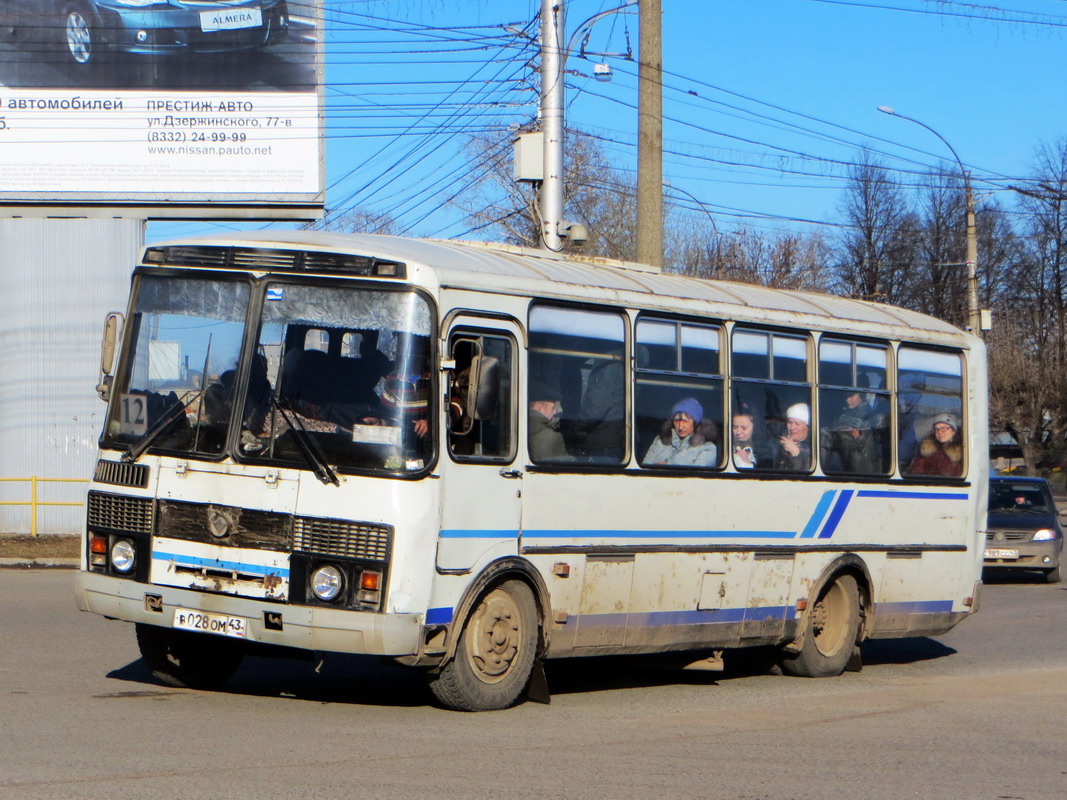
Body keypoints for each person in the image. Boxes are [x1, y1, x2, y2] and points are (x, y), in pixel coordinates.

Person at [643, 397, 718, 467]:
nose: (680, 427)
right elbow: (645, 467)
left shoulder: (707, 448)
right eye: (676, 420)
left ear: (695, 423)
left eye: (685, 421)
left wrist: (668, 465)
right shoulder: (660, 441)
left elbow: (698, 474)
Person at [824, 386, 878, 473]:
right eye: (846, 397)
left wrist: (854, 436)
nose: (847, 400)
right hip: (841, 460)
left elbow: (867, 450)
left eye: (851, 396)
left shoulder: (869, 417)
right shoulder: (843, 414)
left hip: (858, 466)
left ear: (861, 395)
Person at [528, 380, 571, 462]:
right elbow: (566, 467)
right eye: (552, 408)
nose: (554, 412)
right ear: (538, 409)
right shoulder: (553, 436)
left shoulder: (511, 428)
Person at [775, 402, 812, 471]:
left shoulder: (815, 448)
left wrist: (796, 453)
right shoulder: (779, 444)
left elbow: (806, 476)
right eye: (789, 422)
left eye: (797, 424)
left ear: (807, 427)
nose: (792, 427)